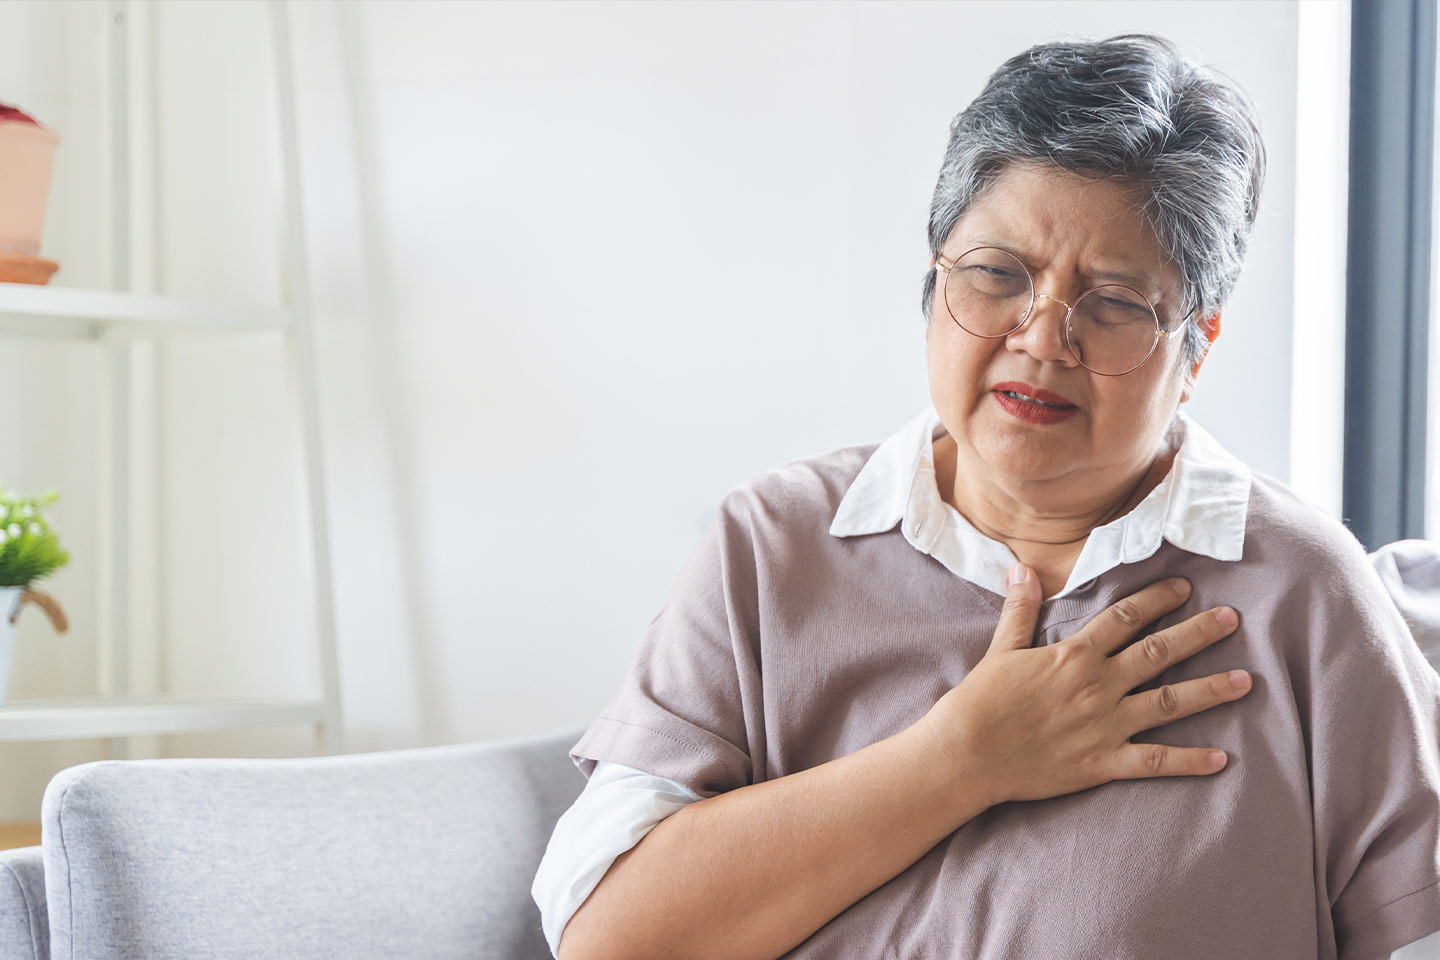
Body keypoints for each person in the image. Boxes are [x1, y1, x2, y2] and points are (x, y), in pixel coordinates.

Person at [533, 32, 1440, 960]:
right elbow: (609, 938)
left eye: (1118, 301)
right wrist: (960, 758)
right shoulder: (770, 547)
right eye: (999, 275)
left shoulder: (1304, 593)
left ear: (1198, 346)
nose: (1045, 338)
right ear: (934, 279)